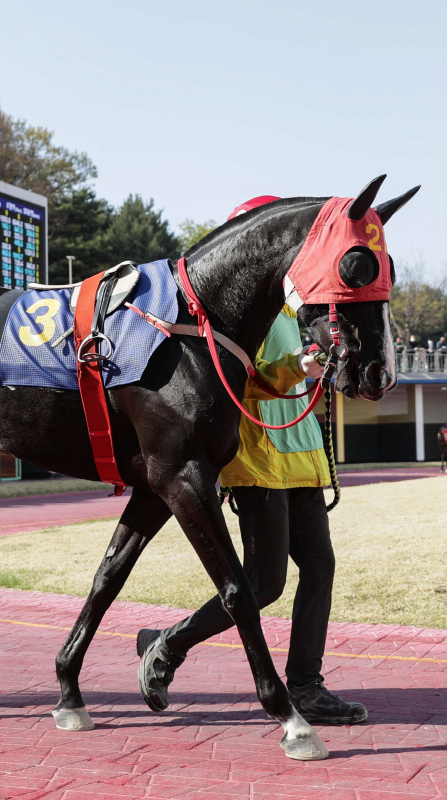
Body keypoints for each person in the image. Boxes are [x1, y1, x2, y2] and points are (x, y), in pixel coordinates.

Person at [136, 196, 367, 727]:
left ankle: (306, 686)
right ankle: (167, 645)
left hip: (301, 458)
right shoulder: (236, 307)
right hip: (259, 459)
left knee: (320, 567)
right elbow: (248, 382)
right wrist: (301, 366)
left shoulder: (293, 307)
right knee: (263, 584)